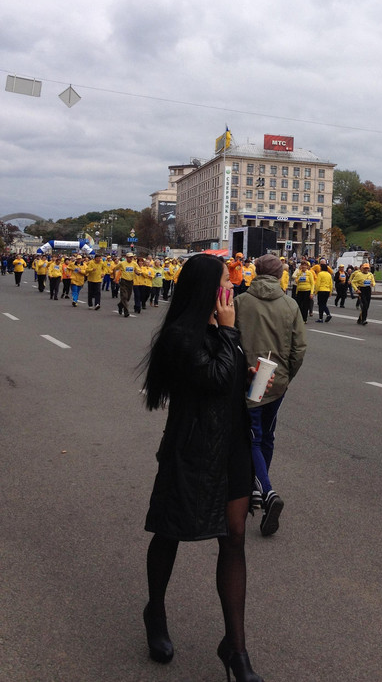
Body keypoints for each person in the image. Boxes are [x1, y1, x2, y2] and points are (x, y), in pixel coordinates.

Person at [141, 253, 265, 681]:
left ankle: (236, 648)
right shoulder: (180, 335)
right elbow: (211, 378)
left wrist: (247, 374)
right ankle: (155, 610)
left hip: (230, 448)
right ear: (205, 290)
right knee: (171, 531)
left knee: (233, 539)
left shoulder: (220, 330)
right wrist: (230, 333)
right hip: (191, 451)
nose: (229, 289)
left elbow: (225, 379)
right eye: (223, 283)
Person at [235, 254, 307, 537]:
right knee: (266, 435)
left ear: (256, 273)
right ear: (279, 276)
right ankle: (263, 487)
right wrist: (286, 376)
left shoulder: (241, 302)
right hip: (276, 381)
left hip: (247, 377)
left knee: (251, 435)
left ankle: (261, 488)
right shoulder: (290, 304)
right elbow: (299, 348)